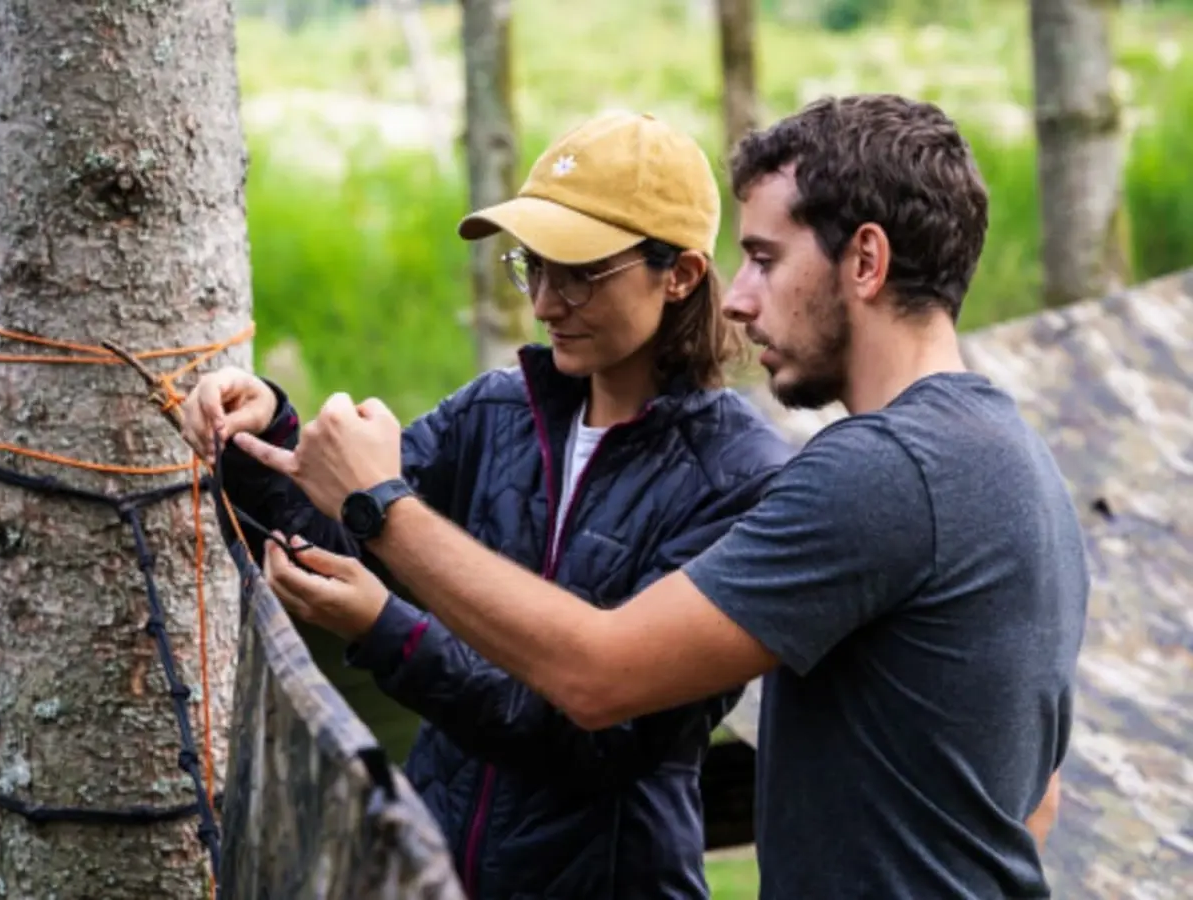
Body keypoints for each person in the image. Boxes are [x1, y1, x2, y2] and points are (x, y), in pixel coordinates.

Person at [236, 94, 1090, 899]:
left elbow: (599, 679)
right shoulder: (1021, 466)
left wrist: (383, 510)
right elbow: (1035, 798)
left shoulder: (876, 470)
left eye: (763, 260)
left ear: (865, 260)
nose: (742, 299)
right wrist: (266, 433)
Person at [181, 111, 793, 899]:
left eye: (579, 273)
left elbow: (595, 739)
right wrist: (264, 430)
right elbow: (348, 530)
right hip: (434, 873)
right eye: (531, 266)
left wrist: (386, 630)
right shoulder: (495, 412)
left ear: (678, 275)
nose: (545, 302)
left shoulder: (741, 479)